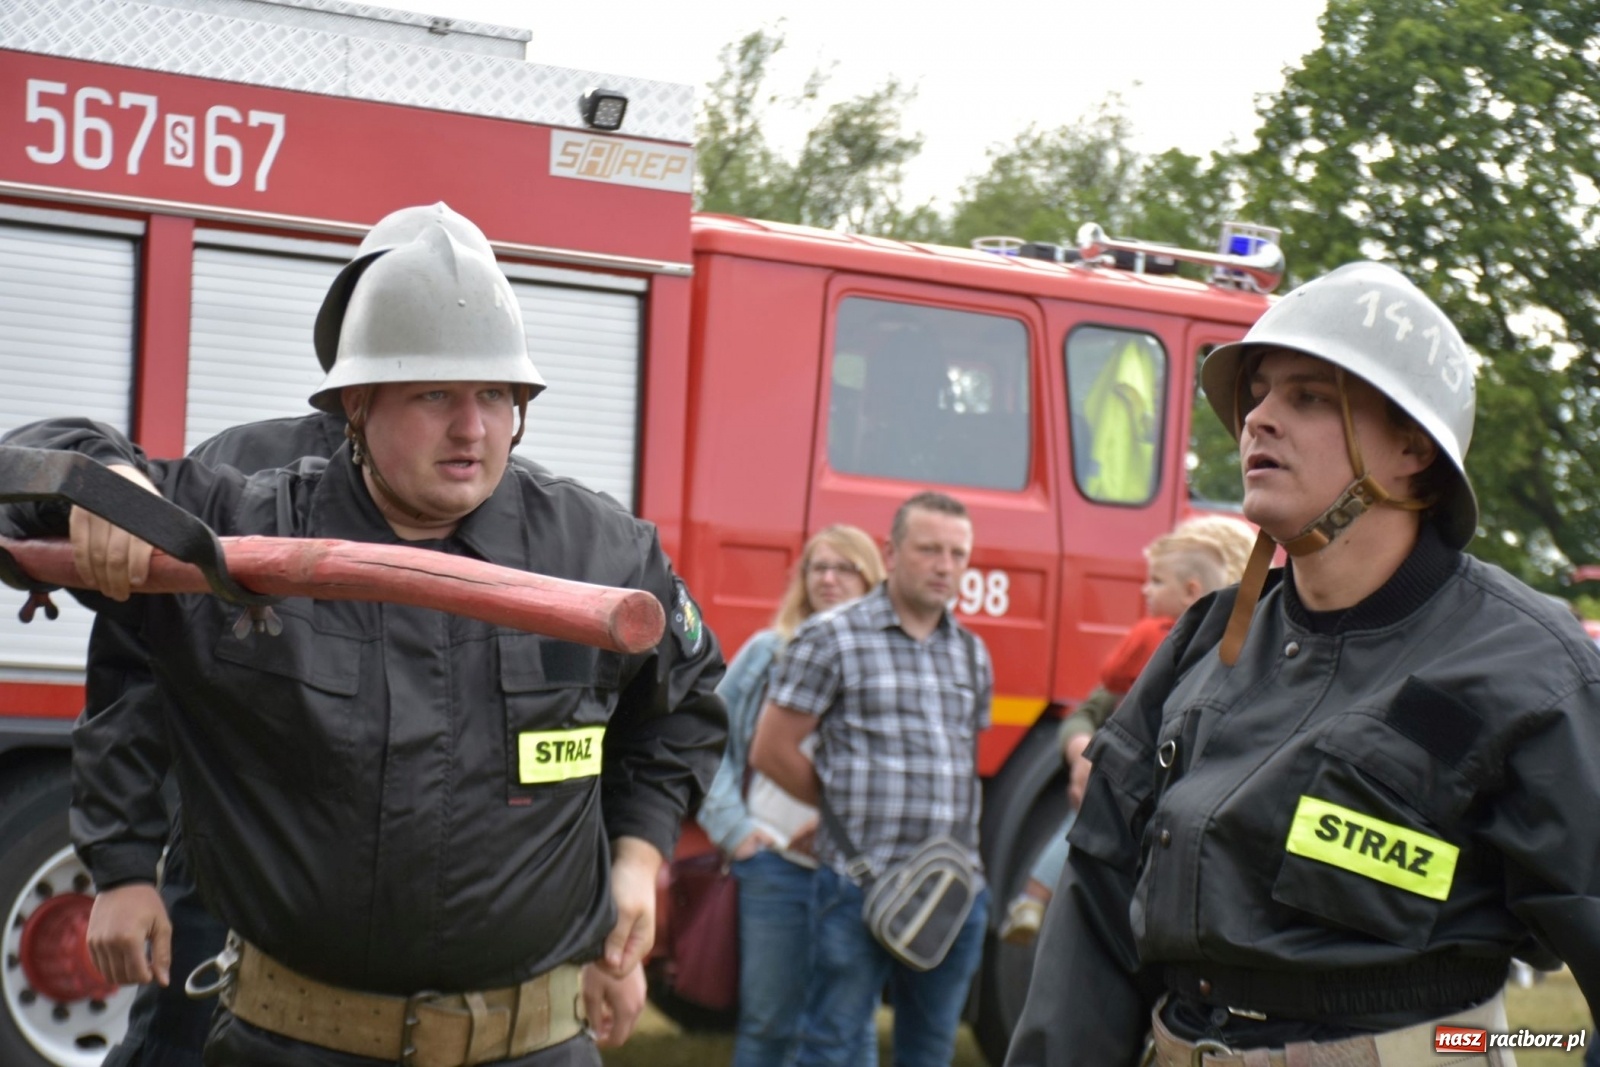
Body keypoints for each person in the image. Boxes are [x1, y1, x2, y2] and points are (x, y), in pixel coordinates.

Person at [2, 212, 726, 1067]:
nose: (472, 428)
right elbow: (33, 482)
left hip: (534, 1042)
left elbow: (683, 702)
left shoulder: (599, 549)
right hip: (291, 1038)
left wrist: (636, 858)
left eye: (496, 394)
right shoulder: (248, 516)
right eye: (434, 393)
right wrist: (101, 485)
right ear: (357, 396)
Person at [1006, 261, 1600, 1067]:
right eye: (1258, 394)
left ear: (1412, 446)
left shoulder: (1527, 665)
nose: (1260, 418)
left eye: (1309, 396)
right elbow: (1098, 908)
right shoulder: (1201, 644)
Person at [750, 490, 994, 1067]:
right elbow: (770, 750)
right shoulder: (831, 636)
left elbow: (961, 761)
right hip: (857, 884)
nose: (945, 566)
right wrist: (841, 813)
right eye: (929, 549)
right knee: (831, 1049)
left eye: (958, 554)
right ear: (891, 553)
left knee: (930, 1053)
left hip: (954, 891)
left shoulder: (971, 652)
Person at [997, 515, 1253, 945]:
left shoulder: (1240, 654)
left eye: (1157, 580)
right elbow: (1089, 709)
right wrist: (1081, 750)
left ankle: (1034, 898)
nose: (1146, 591)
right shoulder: (1175, 639)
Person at [696, 524, 885, 1067]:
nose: (828, 578)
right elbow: (707, 739)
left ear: (871, 580)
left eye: (845, 568)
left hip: (858, 873)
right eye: (818, 567)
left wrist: (847, 830)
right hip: (775, 864)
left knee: (853, 1029)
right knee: (769, 1026)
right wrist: (736, 833)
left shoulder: (888, 663)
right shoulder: (769, 651)